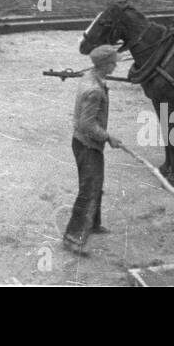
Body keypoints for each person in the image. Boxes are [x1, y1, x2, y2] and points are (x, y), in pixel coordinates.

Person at [63, 44, 122, 255]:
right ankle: (73, 238)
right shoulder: (95, 90)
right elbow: (86, 124)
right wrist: (108, 137)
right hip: (88, 145)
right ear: (105, 65)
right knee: (88, 190)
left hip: (83, 143)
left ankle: (94, 224)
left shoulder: (90, 77)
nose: (116, 66)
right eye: (114, 62)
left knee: (95, 184)